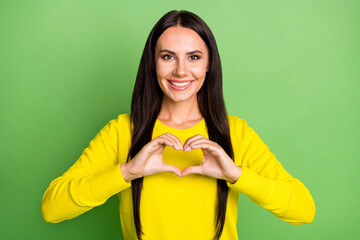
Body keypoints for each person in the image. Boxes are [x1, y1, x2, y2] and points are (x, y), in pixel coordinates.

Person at [41, 10, 316, 240]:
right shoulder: (122, 131)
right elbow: (52, 209)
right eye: (168, 56)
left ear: (209, 64)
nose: (181, 71)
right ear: (153, 63)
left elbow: (304, 210)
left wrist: (236, 175)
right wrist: (127, 172)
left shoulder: (236, 134)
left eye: (194, 57)